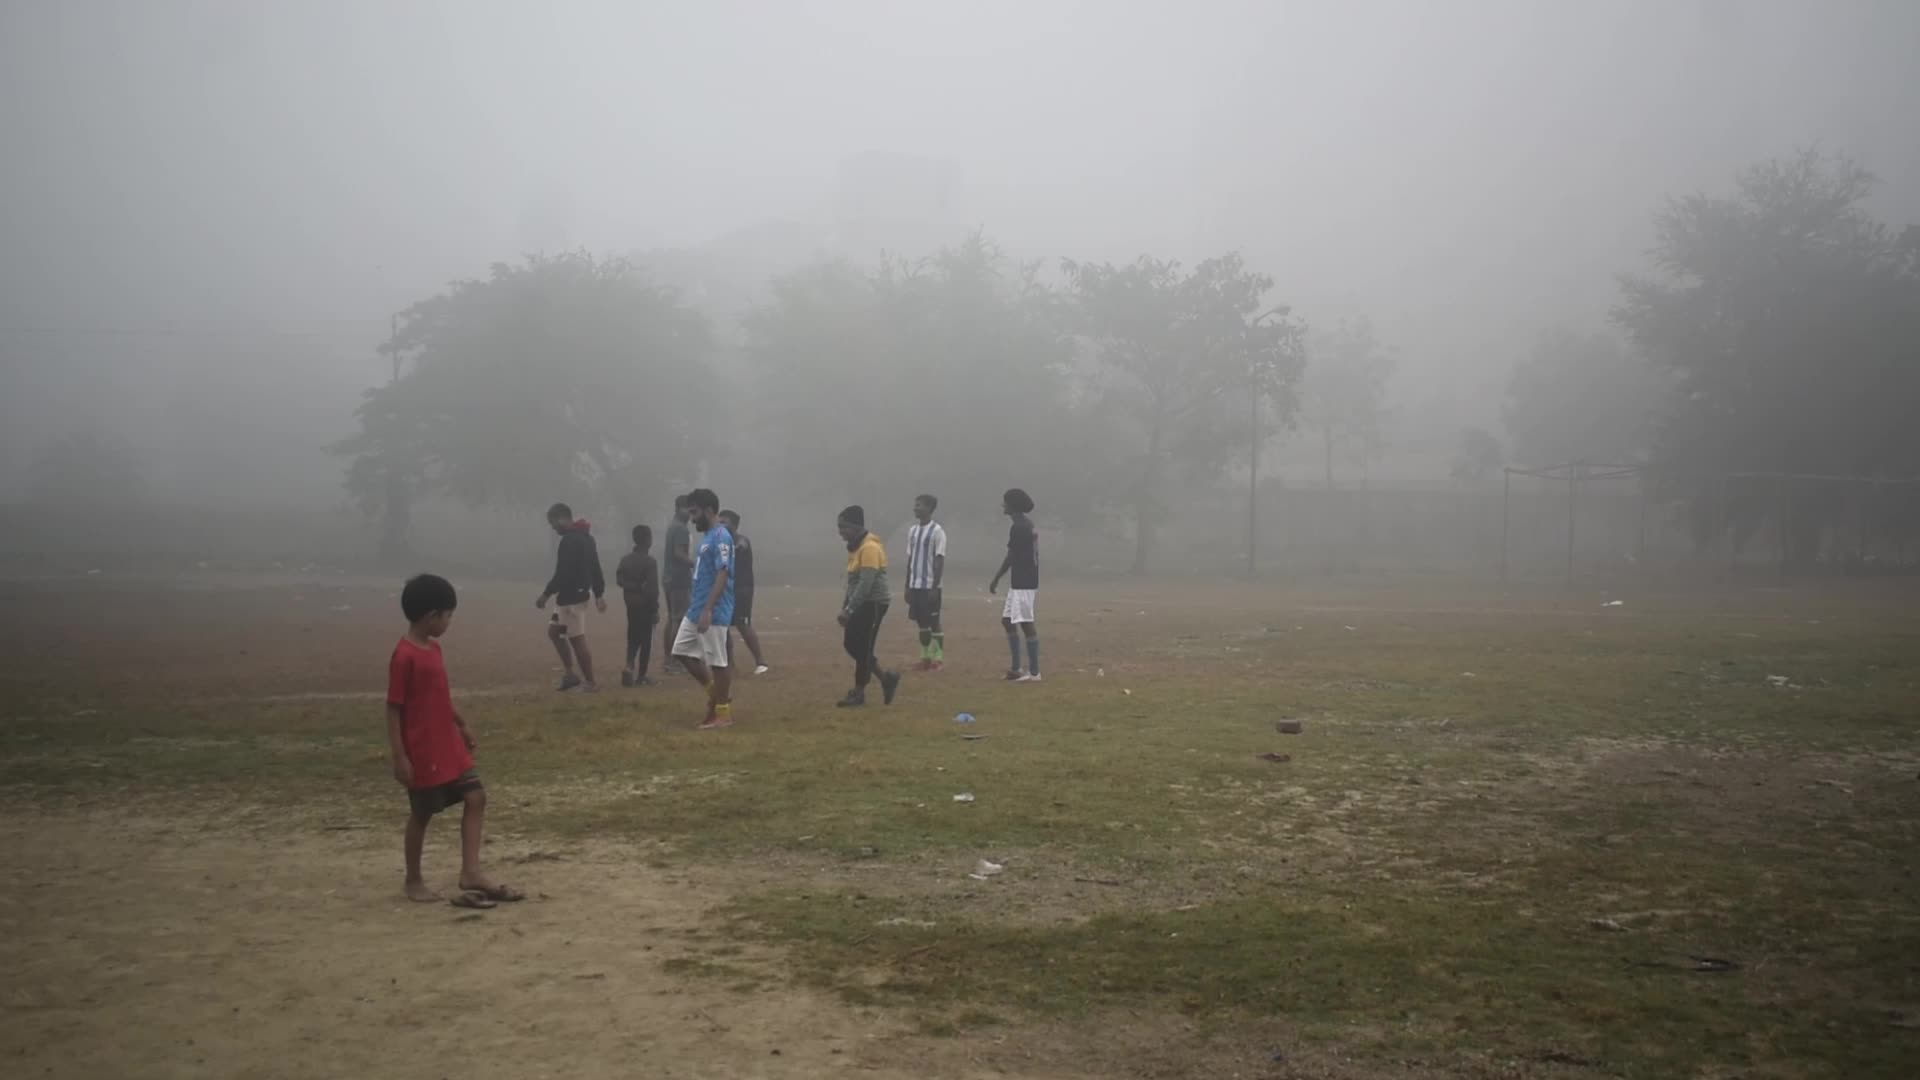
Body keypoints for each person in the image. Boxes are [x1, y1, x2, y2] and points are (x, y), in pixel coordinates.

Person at [387, 573, 523, 908]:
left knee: (475, 796)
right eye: (448, 615)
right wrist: (400, 756)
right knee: (422, 813)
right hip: (423, 749)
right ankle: (413, 879)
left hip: (448, 743)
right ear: (431, 615)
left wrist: (461, 725)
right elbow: (393, 708)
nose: (449, 622)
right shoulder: (404, 656)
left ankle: (471, 871)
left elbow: (441, 696)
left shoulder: (434, 649)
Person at [672, 488, 735, 729]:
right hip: (696, 608)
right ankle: (716, 695)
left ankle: (723, 713)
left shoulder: (721, 536)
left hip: (714, 610)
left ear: (709, 510)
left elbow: (723, 571)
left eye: (695, 512)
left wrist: (708, 609)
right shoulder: (707, 536)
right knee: (680, 651)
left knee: (718, 662)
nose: (692, 517)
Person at [535, 502, 607, 692]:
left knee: (577, 639)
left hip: (572, 598)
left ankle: (590, 683)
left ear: (562, 518)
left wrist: (546, 594)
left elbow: (563, 573)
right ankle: (570, 675)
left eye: (553, 523)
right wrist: (599, 594)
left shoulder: (570, 541)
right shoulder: (587, 538)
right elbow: (596, 567)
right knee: (554, 632)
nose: (553, 528)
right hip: (572, 596)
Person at [836, 505, 900, 707]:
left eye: (844, 527)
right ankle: (886, 679)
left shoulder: (869, 547)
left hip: (873, 603)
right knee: (852, 644)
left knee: (864, 646)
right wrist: (846, 606)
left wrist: (849, 610)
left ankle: (859, 693)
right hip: (860, 603)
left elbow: (866, 583)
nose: (840, 532)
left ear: (855, 527)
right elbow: (854, 582)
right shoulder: (856, 546)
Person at [988, 487, 1041, 682]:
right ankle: (1016, 668)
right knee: (1007, 621)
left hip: (1024, 581)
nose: (1002, 505)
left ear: (1012, 505)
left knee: (1026, 623)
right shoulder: (1025, 524)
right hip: (1020, 579)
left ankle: (1035, 673)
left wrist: (996, 577)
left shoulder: (1019, 527)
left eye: (1005, 502)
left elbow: (1011, 556)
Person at [719, 509, 770, 674]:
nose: (720, 525)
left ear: (734, 525)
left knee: (742, 624)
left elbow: (740, 547)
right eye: (719, 522)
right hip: (725, 589)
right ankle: (730, 664)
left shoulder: (741, 541)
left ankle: (761, 662)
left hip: (742, 590)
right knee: (723, 625)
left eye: (724, 522)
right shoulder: (722, 542)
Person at [904, 493, 948, 671]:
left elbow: (939, 560)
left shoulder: (937, 531)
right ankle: (925, 658)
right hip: (915, 585)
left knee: (933, 621)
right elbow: (910, 559)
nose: (915, 508)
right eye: (915, 504)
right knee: (921, 623)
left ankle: (938, 658)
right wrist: (907, 585)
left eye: (919, 505)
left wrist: (934, 587)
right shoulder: (912, 531)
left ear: (929, 508)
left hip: (930, 586)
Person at [615, 524, 660, 687]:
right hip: (645, 606)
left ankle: (628, 666)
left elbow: (619, 581)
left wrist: (632, 587)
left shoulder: (625, 560)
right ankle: (642, 676)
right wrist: (655, 609)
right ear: (648, 540)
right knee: (646, 641)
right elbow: (652, 589)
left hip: (630, 605)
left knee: (633, 637)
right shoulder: (650, 562)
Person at [661, 495, 693, 676]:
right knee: (679, 619)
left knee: (672, 618)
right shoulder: (680, 528)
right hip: (679, 578)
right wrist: (696, 563)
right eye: (689, 509)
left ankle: (668, 659)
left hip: (668, 578)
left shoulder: (672, 526)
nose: (690, 514)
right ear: (680, 508)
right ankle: (674, 661)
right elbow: (679, 553)